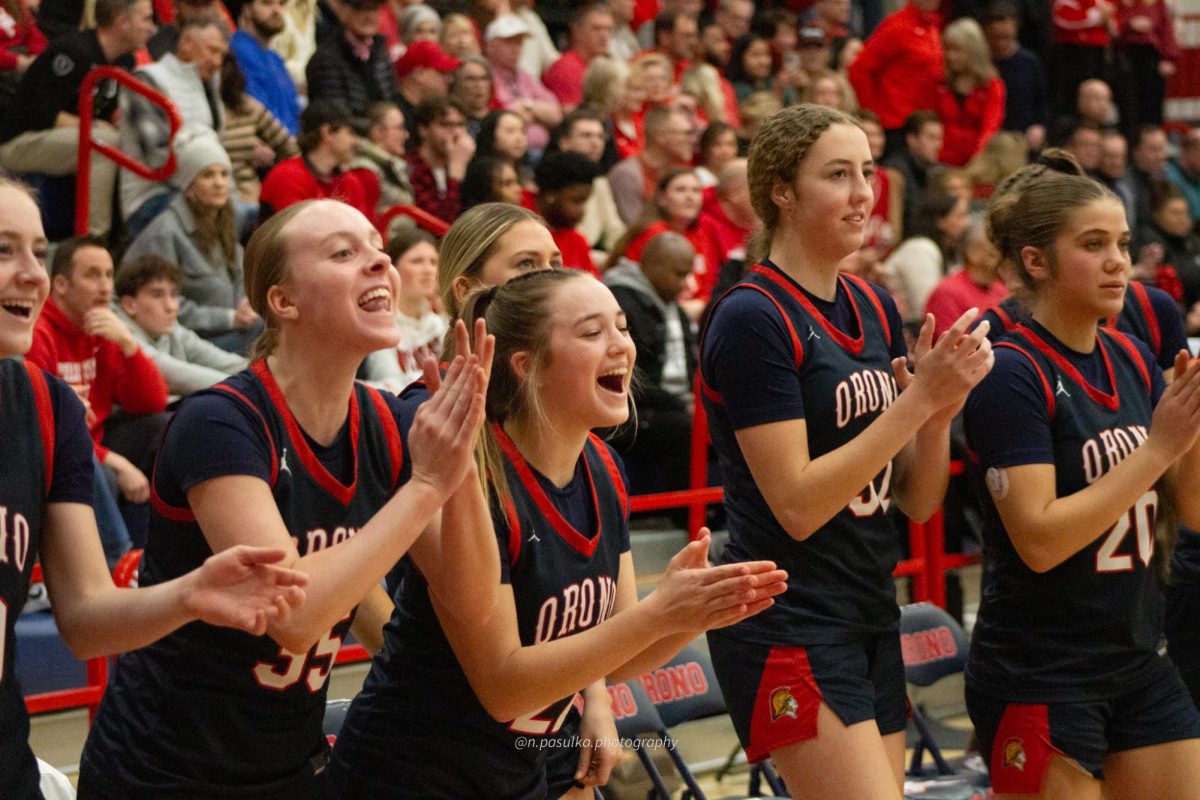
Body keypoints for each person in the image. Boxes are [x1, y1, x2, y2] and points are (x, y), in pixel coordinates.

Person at [77, 197, 496, 799]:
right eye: (344, 253)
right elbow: (293, 617)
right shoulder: (221, 420)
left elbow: (468, 599)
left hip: (289, 767)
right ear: (283, 301)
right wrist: (428, 486)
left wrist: (462, 477)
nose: (378, 261)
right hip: (165, 772)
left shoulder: (381, 423)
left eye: (378, 247)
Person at [327, 262, 788, 799]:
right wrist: (660, 613)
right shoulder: (479, 472)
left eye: (621, 326)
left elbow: (614, 657)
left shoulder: (603, 467)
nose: (620, 345)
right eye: (592, 333)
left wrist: (694, 614)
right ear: (526, 366)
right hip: (408, 776)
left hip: (515, 774)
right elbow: (503, 687)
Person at [699, 104, 993, 800]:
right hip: (789, 617)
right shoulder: (752, 316)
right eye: (838, 175)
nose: (865, 191)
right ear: (781, 191)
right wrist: (918, 402)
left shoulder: (873, 304)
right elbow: (797, 504)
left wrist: (938, 409)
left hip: (868, 606)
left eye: (867, 172)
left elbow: (917, 502)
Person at [0, 175, 310, 800]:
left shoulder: (43, 404)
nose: (34, 274)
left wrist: (189, 593)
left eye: (38, 248)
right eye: (4, 251)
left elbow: (87, 618)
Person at [963, 157, 1200, 800]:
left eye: (1122, 244)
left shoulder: (1128, 354)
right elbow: (1039, 540)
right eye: (1093, 245)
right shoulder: (1011, 374)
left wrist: (1194, 430)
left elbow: (1192, 511)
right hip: (1041, 672)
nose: (1119, 261)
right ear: (1036, 261)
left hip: (1138, 660)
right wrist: (1156, 450)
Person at [0, 0, 155, 238]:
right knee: (103, 144)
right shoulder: (73, 52)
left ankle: (134, 231)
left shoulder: (124, 63)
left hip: (63, 140)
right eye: (146, 19)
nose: (153, 28)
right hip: (16, 142)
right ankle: (92, 239)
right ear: (123, 22)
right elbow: (38, 112)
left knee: (128, 138)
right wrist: (89, 125)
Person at [123, 127, 258, 354]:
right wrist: (228, 318)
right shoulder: (165, 233)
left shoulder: (225, 221)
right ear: (189, 185)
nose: (219, 183)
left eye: (224, 174)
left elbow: (238, 276)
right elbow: (163, 304)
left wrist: (246, 304)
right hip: (187, 342)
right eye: (208, 175)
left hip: (232, 328)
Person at [604, 230, 696, 492]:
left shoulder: (677, 310)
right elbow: (629, 377)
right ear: (651, 267)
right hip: (635, 407)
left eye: (688, 274)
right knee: (683, 427)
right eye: (679, 274)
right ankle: (687, 513)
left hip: (675, 403)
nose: (685, 283)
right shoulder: (619, 302)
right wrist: (678, 403)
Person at [114, 254, 247, 401]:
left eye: (174, 294)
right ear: (129, 305)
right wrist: (244, 389)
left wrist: (263, 374)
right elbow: (176, 375)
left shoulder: (171, 328)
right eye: (157, 295)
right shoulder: (118, 333)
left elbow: (221, 360)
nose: (171, 306)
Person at [361, 228, 449, 393]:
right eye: (417, 261)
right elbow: (386, 386)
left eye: (434, 262)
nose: (428, 270)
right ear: (392, 270)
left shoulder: (441, 322)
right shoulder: (379, 322)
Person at [935, 17, 1005, 167]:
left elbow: (990, 129)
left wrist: (976, 163)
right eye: (948, 49)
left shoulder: (991, 86)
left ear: (974, 50)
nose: (951, 56)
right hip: (940, 161)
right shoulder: (940, 82)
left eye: (958, 50)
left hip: (977, 164)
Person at [534, 151, 600, 276]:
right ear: (551, 194)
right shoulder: (518, 219)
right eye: (576, 201)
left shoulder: (576, 240)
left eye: (584, 201)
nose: (582, 211)